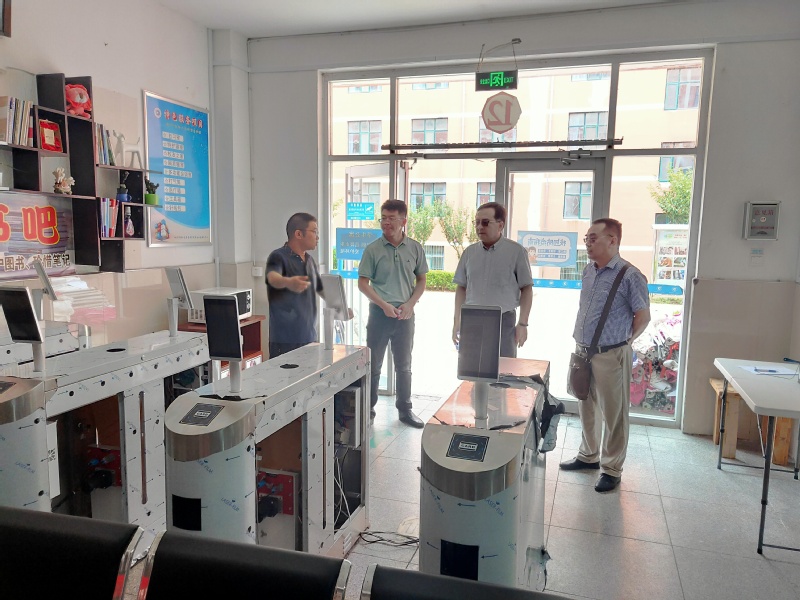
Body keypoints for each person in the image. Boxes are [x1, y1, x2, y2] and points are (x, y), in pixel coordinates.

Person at [560, 218, 651, 493]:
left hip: (612, 354)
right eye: (586, 239)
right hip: (582, 351)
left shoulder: (630, 275)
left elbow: (643, 317)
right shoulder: (589, 270)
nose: (587, 244)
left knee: (614, 414)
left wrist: (624, 343)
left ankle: (611, 469)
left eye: (593, 238)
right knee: (586, 405)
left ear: (612, 240)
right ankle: (588, 455)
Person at [358, 199, 429, 428]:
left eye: (391, 218)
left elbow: (421, 280)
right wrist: (383, 305)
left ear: (403, 221)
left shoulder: (415, 248)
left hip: (405, 315)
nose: (386, 223)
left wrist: (410, 304)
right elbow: (363, 283)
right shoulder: (373, 249)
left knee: (404, 366)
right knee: (373, 365)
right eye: (383, 218)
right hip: (379, 314)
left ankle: (405, 410)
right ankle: (368, 410)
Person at [452, 202, 533, 358]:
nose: (479, 227)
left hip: (503, 320)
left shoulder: (516, 252)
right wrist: (457, 321)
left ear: (500, 225)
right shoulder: (469, 253)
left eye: (485, 222)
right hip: (472, 319)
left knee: (504, 368)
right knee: (472, 366)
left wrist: (523, 323)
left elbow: (527, 289)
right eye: (476, 222)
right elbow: (461, 288)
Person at [265, 212, 323, 359]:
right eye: (314, 231)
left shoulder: (309, 260)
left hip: (309, 336)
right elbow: (272, 277)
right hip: (285, 340)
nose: (317, 237)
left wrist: (340, 306)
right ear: (298, 234)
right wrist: (288, 282)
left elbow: (320, 288)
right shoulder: (278, 256)